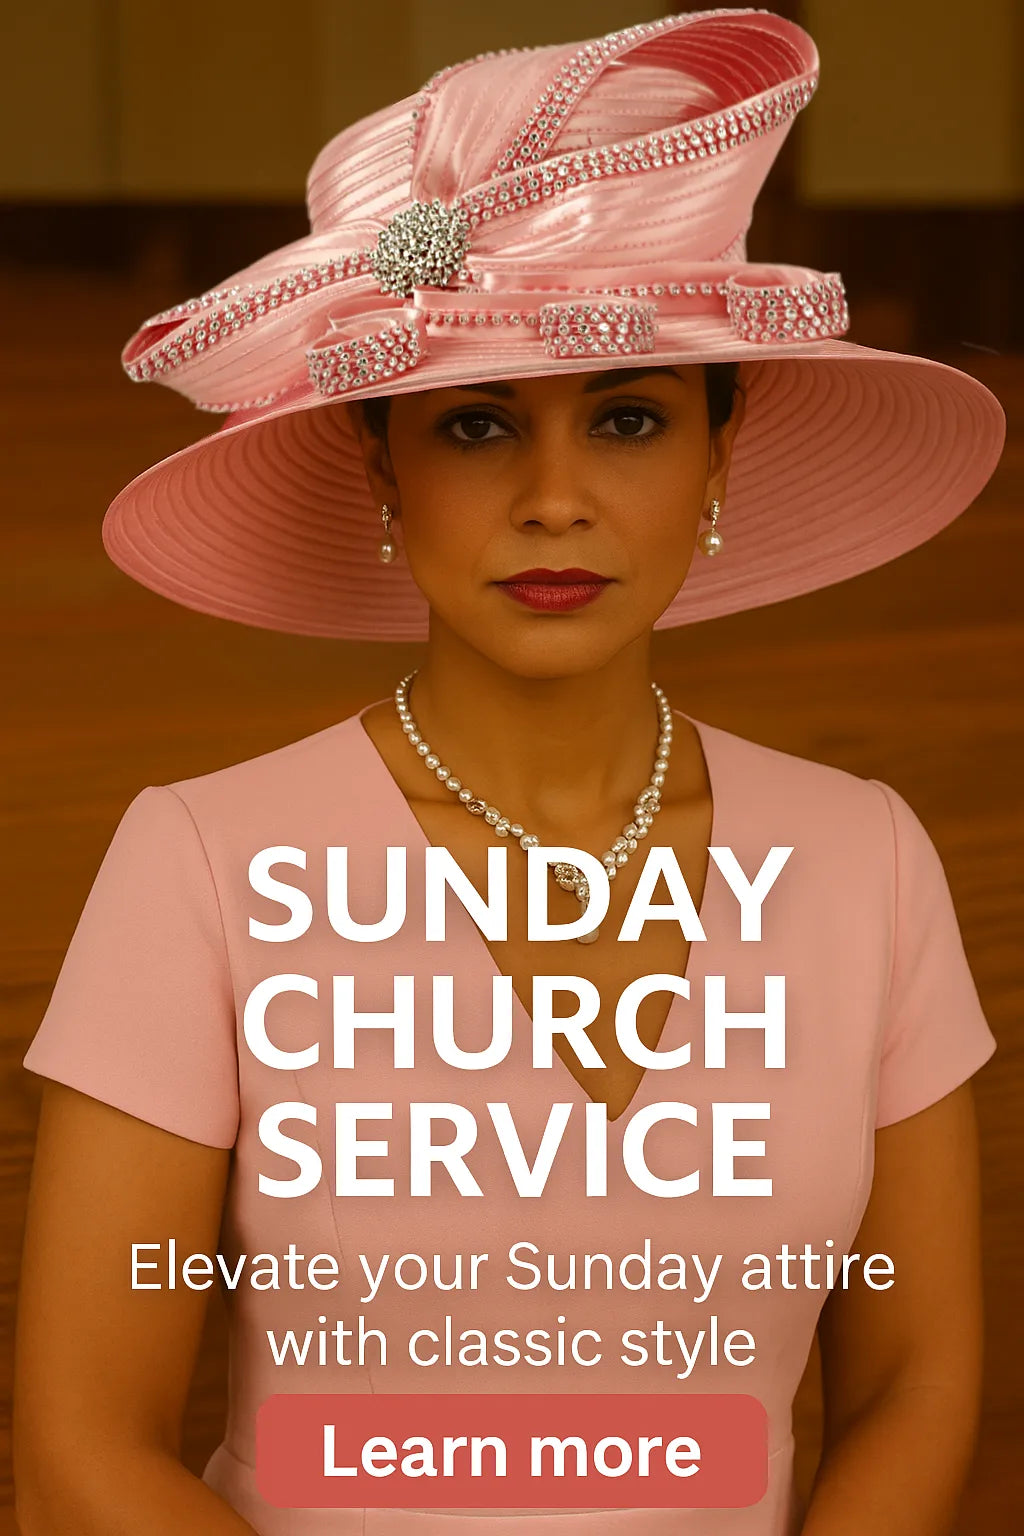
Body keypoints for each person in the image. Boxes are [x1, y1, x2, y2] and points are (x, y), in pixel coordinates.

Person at [13, 9, 1005, 1536]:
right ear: (381, 471)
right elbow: (83, 1449)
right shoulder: (201, 863)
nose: (556, 501)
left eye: (626, 419)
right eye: (477, 426)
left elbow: (917, 1385)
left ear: (721, 460)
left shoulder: (865, 857)